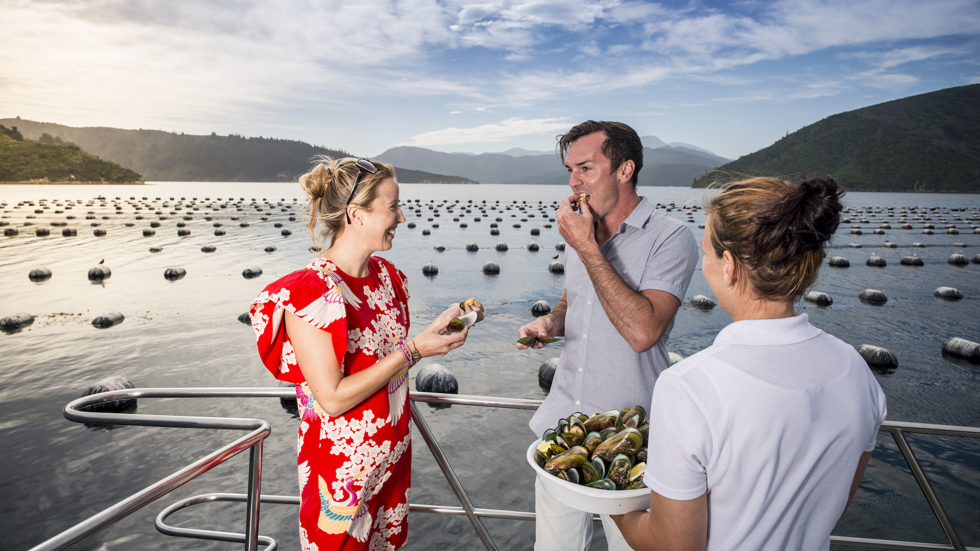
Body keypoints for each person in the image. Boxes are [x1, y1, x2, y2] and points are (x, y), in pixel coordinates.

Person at [611, 176, 888, 551]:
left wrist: (617, 509)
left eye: (706, 253)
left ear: (729, 266)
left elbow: (672, 546)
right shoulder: (856, 371)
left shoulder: (691, 386)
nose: (703, 265)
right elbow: (831, 505)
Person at [249, 157, 482, 551]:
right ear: (356, 214)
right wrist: (413, 351)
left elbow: (390, 357)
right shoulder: (310, 293)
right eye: (392, 206)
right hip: (340, 481)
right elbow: (333, 397)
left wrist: (436, 330)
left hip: (390, 465)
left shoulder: (387, 279)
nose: (402, 217)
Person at [519, 120, 699, 550]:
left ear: (625, 170)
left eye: (585, 168)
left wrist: (586, 247)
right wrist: (552, 323)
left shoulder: (671, 237)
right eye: (569, 170)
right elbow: (571, 300)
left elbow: (643, 331)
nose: (572, 182)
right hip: (562, 427)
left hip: (634, 437)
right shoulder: (583, 229)